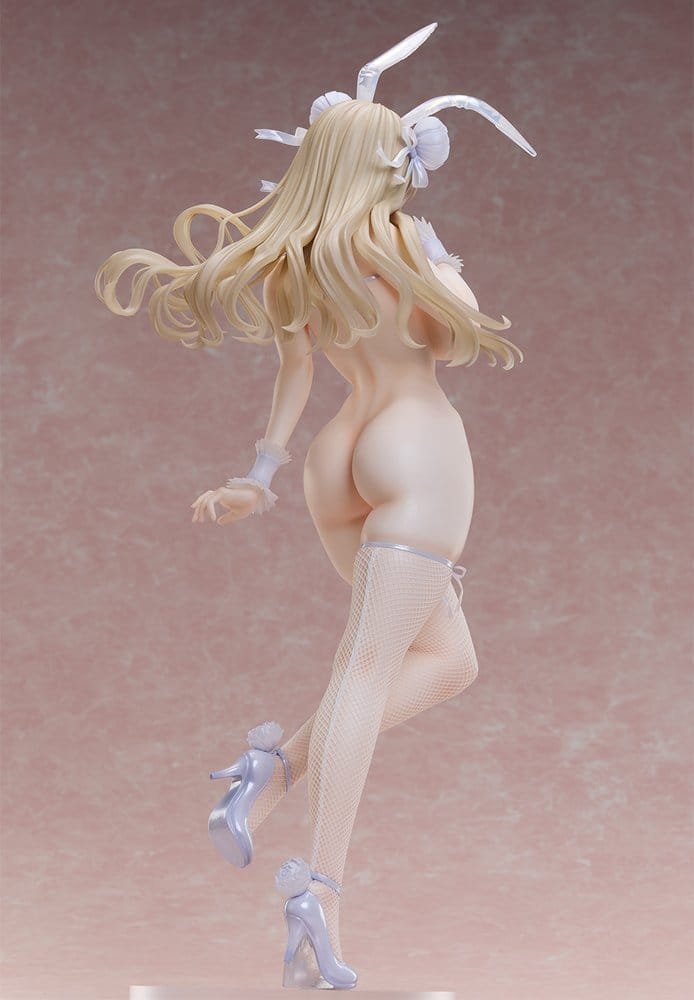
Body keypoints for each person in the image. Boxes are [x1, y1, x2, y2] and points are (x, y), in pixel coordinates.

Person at [94, 22, 536, 990]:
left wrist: (258, 475)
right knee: (368, 671)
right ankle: (318, 898)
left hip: (334, 460)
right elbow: (454, 336)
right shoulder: (404, 243)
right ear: (390, 166)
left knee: (447, 661)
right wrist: (444, 271)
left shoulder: (301, 256)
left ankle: (274, 771)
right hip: (415, 447)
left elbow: (294, 370)